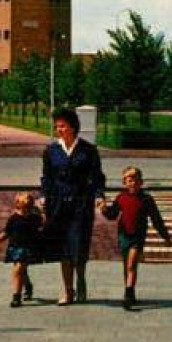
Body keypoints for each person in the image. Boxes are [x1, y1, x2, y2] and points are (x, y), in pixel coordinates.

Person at [40, 106, 105, 305]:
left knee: (78, 245)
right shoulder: (51, 151)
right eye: (56, 126)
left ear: (73, 127)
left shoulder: (88, 150)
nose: (58, 129)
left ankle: (81, 279)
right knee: (63, 248)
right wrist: (44, 196)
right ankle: (68, 290)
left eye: (62, 126)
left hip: (80, 205)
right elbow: (47, 177)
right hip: (58, 205)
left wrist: (98, 195)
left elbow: (97, 177)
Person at [99, 166, 172, 310]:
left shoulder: (146, 199)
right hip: (123, 235)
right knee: (127, 265)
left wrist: (165, 236)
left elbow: (156, 219)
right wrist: (104, 209)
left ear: (141, 182)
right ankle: (130, 291)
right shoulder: (121, 198)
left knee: (131, 264)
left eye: (136, 180)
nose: (133, 183)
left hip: (138, 236)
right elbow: (112, 215)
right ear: (124, 182)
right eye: (130, 180)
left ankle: (128, 296)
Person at [0, 191, 43, 307]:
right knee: (21, 270)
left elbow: (42, 228)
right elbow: (7, 232)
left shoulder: (34, 218)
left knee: (18, 269)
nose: (26, 211)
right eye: (24, 208)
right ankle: (28, 286)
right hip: (15, 247)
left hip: (28, 248)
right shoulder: (13, 219)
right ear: (18, 206)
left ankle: (16, 296)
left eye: (28, 208)